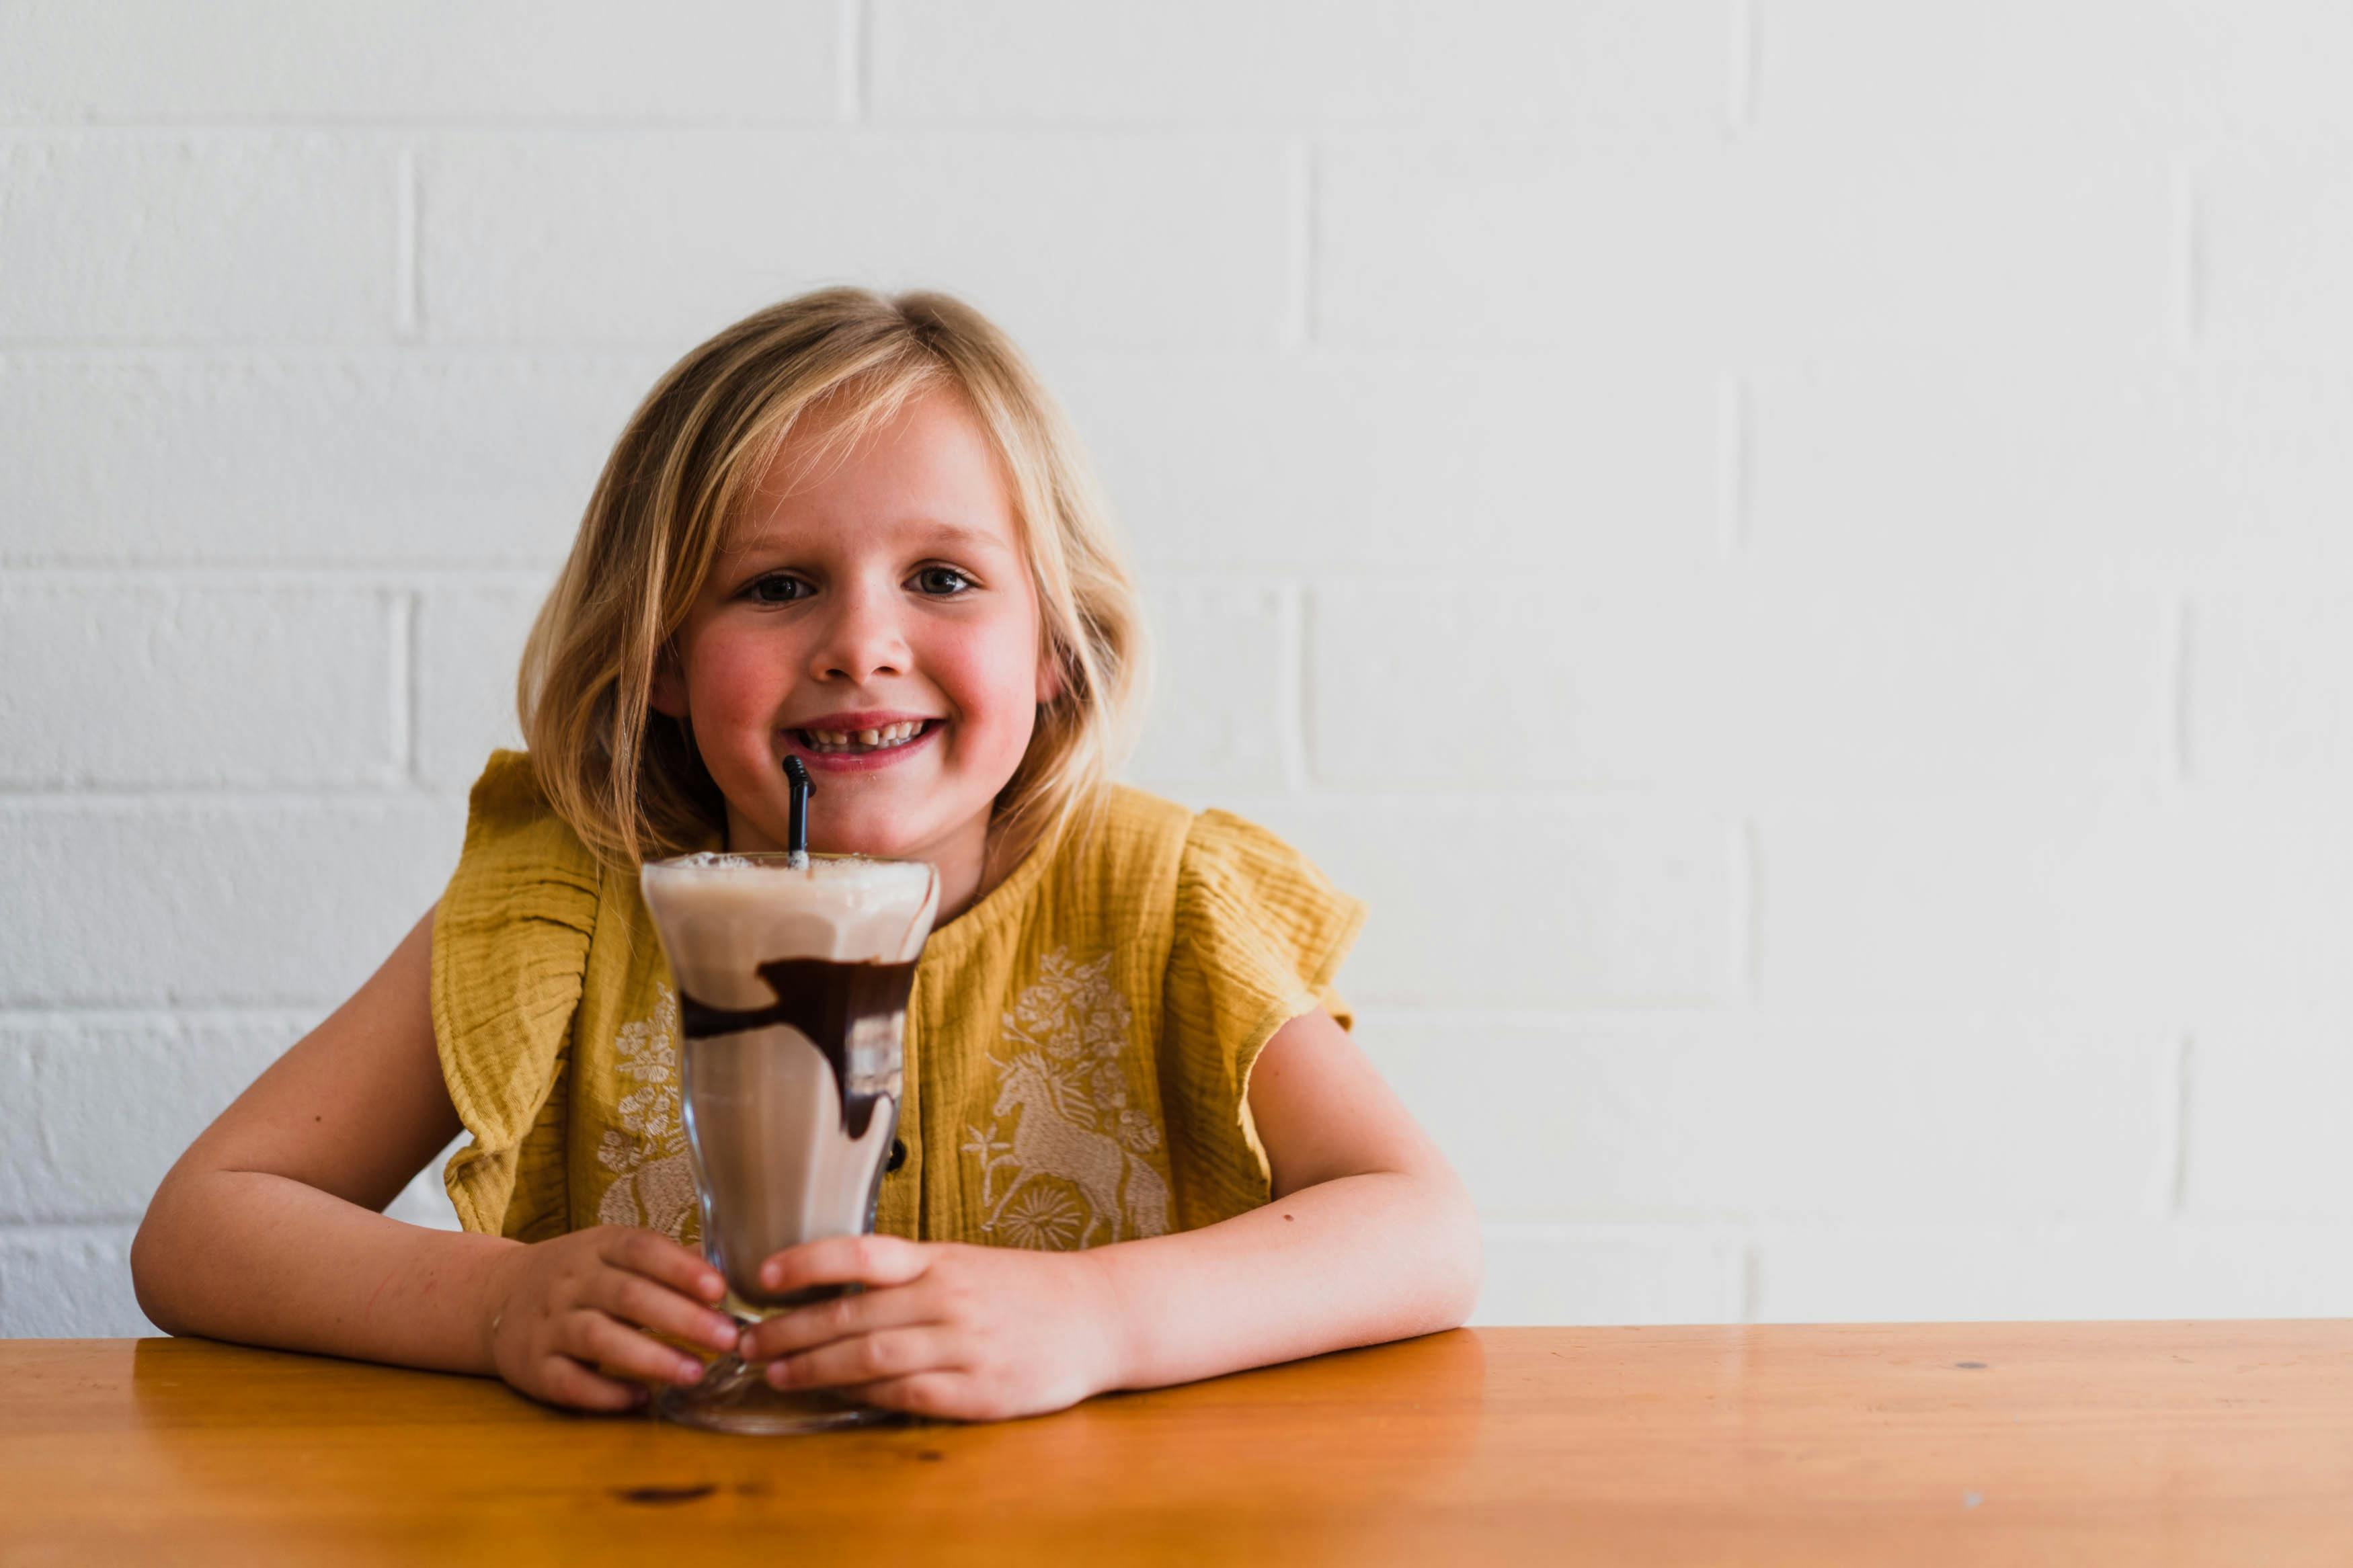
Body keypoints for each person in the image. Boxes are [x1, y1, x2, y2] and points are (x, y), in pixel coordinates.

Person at [130, 288, 1480, 1421]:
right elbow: (204, 1224)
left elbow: (1421, 1228)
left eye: (943, 579)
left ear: (1056, 649)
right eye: (777, 586)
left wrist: (1098, 1318)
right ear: (659, 658)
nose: (861, 646)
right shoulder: (564, 906)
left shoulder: (1159, 897)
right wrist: (497, 1303)